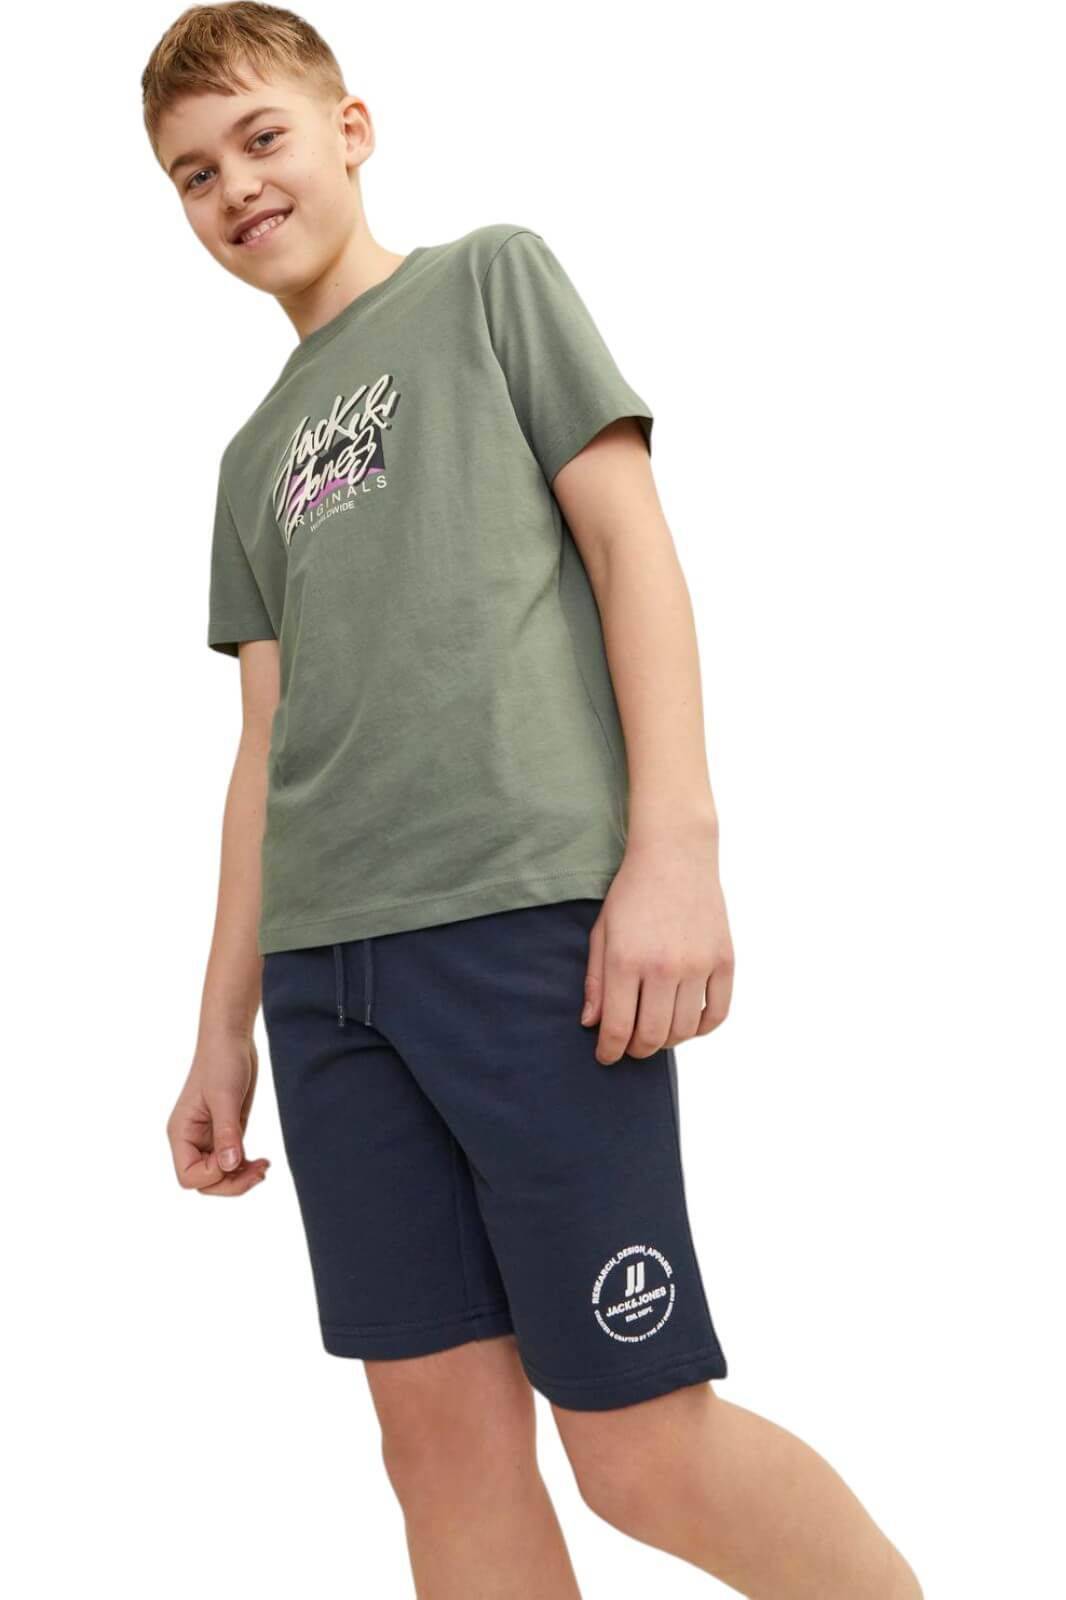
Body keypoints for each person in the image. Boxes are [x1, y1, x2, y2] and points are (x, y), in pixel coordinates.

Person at [144, 5, 923, 1595]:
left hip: (519, 932)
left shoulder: (488, 281)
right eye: (192, 174)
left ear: (351, 128)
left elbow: (632, 547)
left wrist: (674, 849)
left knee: (636, 1445)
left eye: (260, 138)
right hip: (326, 982)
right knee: (437, 1453)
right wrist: (223, 1026)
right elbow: (262, 747)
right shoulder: (247, 459)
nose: (234, 187)